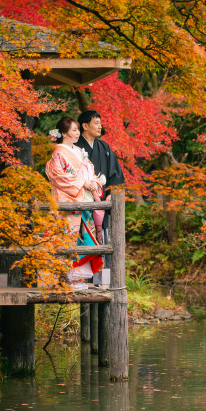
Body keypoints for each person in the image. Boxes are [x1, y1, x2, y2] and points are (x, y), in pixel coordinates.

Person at [45, 116, 105, 286]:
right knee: (69, 238)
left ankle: (78, 277)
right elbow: (58, 177)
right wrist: (83, 183)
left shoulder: (79, 151)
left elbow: (90, 170)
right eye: (73, 130)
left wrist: (93, 182)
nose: (78, 133)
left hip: (83, 199)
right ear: (64, 133)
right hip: (69, 200)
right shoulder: (58, 152)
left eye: (78, 129)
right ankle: (65, 277)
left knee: (83, 238)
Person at [76, 109, 125, 286]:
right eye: (96, 123)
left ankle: (103, 282)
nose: (100, 126)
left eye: (100, 122)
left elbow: (115, 173)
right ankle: (83, 280)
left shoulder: (103, 147)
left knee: (103, 241)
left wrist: (111, 192)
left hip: (102, 202)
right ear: (84, 125)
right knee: (84, 239)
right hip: (82, 201)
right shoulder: (75, 147)